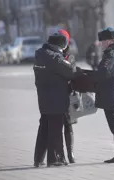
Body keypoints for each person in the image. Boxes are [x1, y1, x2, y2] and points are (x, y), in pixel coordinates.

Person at [33, 32, 82, 167]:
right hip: (56, 99)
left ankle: (38, 158)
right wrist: (72, 62)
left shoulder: (40, 54)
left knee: (44, 128)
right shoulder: (55, 57)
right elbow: (70, 71)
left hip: (44, 98)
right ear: (61, 45)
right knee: (55, 128)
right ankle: (56, 159)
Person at [85, 27, 114, 163]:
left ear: (110, 41)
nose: (102, 44)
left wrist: (87, 75)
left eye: (103, 41)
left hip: (112, 95)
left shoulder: (111, 55)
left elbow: (103, 74)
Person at [58, 29, 76, 164]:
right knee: (57, 126)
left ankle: (70, 153)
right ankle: (60, 154)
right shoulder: (52, 55)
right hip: (56, 95)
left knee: (68, 126)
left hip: (68, 95)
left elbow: (73, 74)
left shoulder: (69, 56)